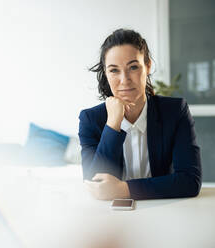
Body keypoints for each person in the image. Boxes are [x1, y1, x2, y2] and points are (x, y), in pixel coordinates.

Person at [79, 29, 201, 200]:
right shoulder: (90, 119)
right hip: (111, 219)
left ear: (148, 66)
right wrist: (113, 124)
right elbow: (94, 183)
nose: (124, 80)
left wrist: (123, 189)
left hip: (162, 209)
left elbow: (190, 181)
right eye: (114, 70)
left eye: (133, 67)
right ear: (106, 74)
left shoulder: (174, 111)